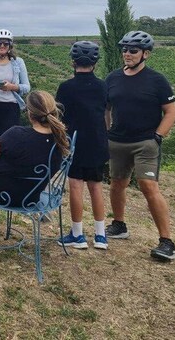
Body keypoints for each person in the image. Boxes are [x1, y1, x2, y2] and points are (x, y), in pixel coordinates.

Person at [105, 30, 175, 261]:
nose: (127, 53)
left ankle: (167, 242)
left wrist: (158, 136)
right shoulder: (113, 78)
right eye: (124, 49)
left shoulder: (157, 80)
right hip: (117, 141)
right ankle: (119, 225)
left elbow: (171, 112)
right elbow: (105, 108)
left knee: (148, 186)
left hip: (145, 143)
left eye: (133, 50)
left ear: (146, 54)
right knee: (117, 184)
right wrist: (106, 130)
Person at [0, 90, 70, 243]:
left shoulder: (15, 134)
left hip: (1, 193)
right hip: (31, 197)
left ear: (29, 113)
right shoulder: (59, 141)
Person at [55, 41, 109, 250]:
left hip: (75, 142)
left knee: (76, 185)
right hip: (97, 141)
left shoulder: (66, 88)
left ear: (73, 61)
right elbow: (106, 112)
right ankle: (100, 235)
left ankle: (77, 235)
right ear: (95, 63)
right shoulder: (103, 86)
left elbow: (59, 116)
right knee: (96, 186)